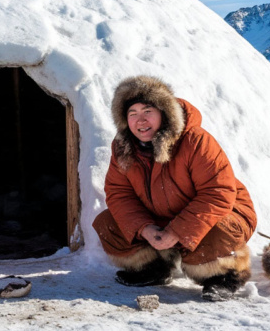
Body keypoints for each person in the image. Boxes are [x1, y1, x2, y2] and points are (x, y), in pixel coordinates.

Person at [93, 75, 257, 301]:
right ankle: (153, 269)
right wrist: (145, 228)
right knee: (108, 224)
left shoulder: (195, 140)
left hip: (219, 213)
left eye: (148, 111)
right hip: (160, 217)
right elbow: (119, 193)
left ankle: (226, 275)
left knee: (220, 229)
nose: (141, 120)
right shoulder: (123, 147)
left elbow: (217, 193)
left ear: (164, 112)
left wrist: (177, 231)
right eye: (133, 113)